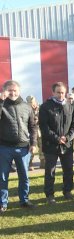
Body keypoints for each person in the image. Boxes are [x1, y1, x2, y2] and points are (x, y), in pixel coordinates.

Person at [0, 80, 37, 213]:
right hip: (4, 147)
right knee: (3, 177)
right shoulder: (2, 104)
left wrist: (33, 143)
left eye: (15, 90)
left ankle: (24, 200)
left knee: (24, 176)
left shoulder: (26, 106)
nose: (12, 93)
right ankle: (2, 203)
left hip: (23, 148)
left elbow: (32, 126)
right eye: (10, 90)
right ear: (5, 91)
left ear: (19, 91)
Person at [39, 82, 74, 204]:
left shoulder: (69, 106)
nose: (61, 95)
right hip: (51, 145)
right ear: (53, 92)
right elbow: (44, 127)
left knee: (68, 170)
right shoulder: (46, 107)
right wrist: (57, 138)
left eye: (63, 92)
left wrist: (68, 138)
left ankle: (67, 192)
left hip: (66, 145)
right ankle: (49, 195)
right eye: (58, 92)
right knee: (50, 171)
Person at [26, 95, 44, 170]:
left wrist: (38, 119)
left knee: (42, 146)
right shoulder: (25, 109)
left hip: (40, 130)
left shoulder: (40, 108)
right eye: (30, 102)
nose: (32, 104)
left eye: (33, 102)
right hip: (31, 131)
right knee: (31, 147)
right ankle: (30, 163)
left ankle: (43, 161)